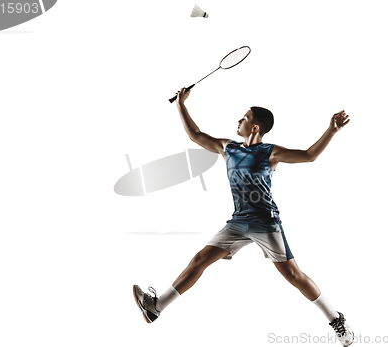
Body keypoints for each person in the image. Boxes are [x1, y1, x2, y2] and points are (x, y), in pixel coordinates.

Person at [133, 88, 354, 346]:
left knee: (293, 275)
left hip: (265, 222)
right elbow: (196, 135)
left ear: (255, 127)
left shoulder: (271, 152)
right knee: (200, 259)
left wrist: (331, 130)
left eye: (244, 117)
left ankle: (336, 319)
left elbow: (309, 156)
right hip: (238, 222)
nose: (240, 120)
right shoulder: (228, 148)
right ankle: (156, 306)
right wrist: (181, 105)